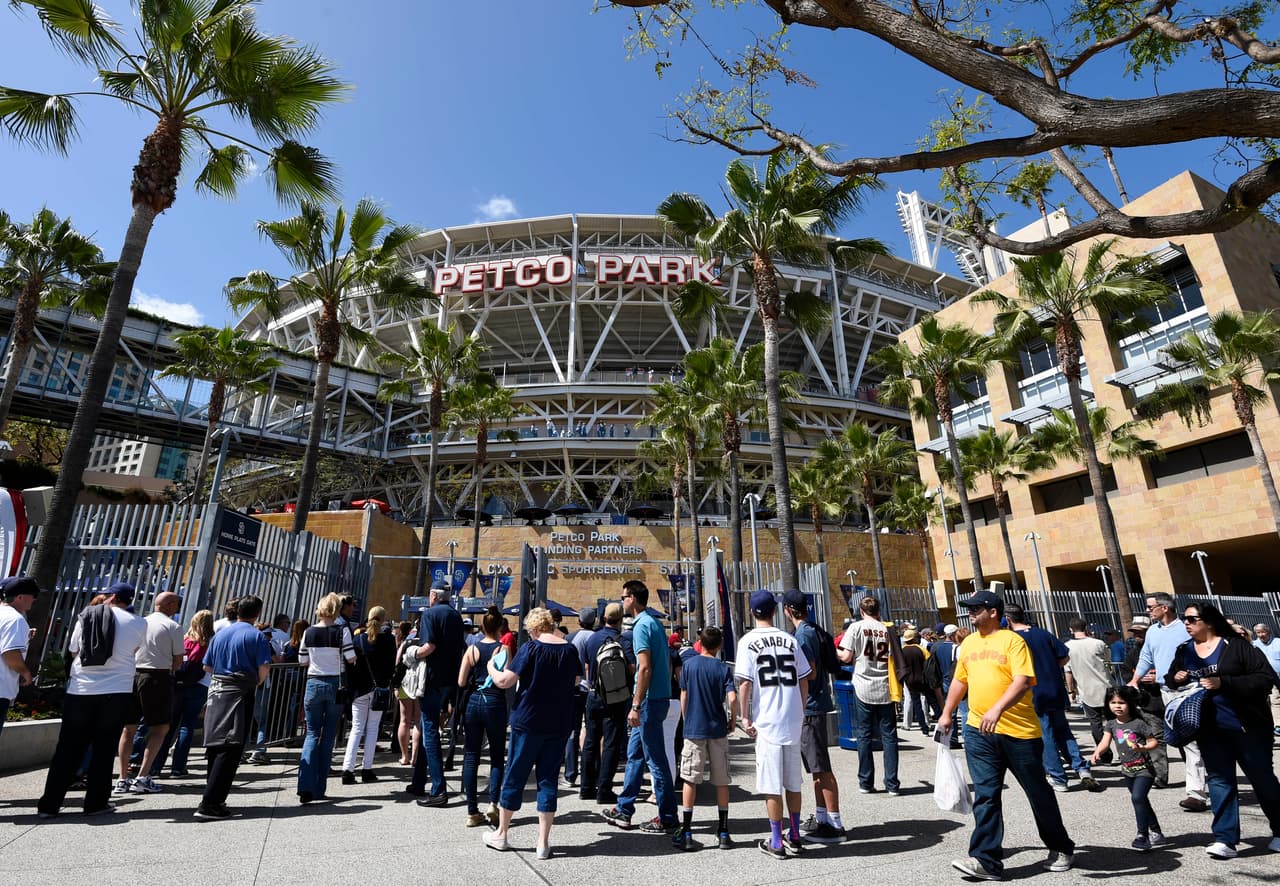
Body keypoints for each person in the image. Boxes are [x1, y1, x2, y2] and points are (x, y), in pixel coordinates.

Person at [938, 589, 1075, 881]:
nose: (971, 613)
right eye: (970, 609)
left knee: (1037, 792)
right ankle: (985, 860)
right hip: (978, 731)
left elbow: (1024, 680)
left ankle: (1061, 846)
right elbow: (960, 681)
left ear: (993, 612)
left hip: (1019, 732)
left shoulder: (1013, 641)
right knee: (986, 795)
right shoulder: (969, 644)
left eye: (977, 608)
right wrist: (947, 712)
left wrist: (997, 709)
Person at [1165, 602, 1280, 859]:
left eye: (1192, 619)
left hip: (1247, 726)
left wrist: (1224, 682)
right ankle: (1225, 839)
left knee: (1262, 779)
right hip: (1208, 728)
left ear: (1208, 622)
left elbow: (1264, 678)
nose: (1186, 623)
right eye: (1185, 618)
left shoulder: (1236, 647)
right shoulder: (1184, 650)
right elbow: (1170, 677)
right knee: (1219, 780)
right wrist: (1176, 677)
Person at [38, 583, 147, 818]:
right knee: (104, 749)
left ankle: (49, 805)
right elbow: (136, 649)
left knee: (67, 749)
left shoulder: (86, 616)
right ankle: (96, 803)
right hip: (116, 691)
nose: (104, 597)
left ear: (114, 597)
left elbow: (74, 650)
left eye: (107, 594)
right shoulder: (139, 623)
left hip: (80, 690)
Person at [482, 607, 581, 860]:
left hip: (528, 721)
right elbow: (577, 681)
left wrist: (491, 666)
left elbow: (505, 681)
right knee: (548, 780)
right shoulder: (569, 649)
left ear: (535, 629)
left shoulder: (532, 647)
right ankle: (543, 842)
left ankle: (502, 834)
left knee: (515, 774)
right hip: (558, 723)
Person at [736, 590, 812, 860]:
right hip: (792, 718)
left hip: (768, 721)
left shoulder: (747, 641)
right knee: (793, 782)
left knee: (771, 784)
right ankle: (795, 834)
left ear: (752, 612)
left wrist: (744, 717)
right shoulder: (789, 639)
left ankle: (777, 840)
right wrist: (800, 708)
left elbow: (744, 682)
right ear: (774, 611)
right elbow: (805, 678)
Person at [602, 580, 680, 834]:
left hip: (647, 702)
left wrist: (636, 704)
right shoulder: (654, 624)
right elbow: (665, 665)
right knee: (635, 755)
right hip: (655, 698)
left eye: (624, 596)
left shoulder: (642, 627)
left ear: (633, 598)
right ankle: (624, 809)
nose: (622, 600)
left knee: (655, 760)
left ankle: (668, 817)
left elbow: (644, 667)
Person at [1129, 592, 1209, 812]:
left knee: (1191, 742)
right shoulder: (1153, 632)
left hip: (1188, 690)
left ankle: (1196, 794)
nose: (1147, 610)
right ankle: (1205, 780)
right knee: (1182, 742)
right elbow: (1146, 656)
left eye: (1150, 607)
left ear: (1165, 608)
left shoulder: (1185, 628)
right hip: (1165, 692)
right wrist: (1135, 680)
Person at [1005, 604, 1098, 793]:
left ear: (1008, 619)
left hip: (1034, 692)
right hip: (1054, 688)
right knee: (1063, 730)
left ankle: (1058, 777)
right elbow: (1064, 656)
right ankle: (1081, 768)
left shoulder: (1013, 639)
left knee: (1045, 734)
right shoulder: (1042, 633)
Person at [196, 595, 273, 819]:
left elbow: (207, 666)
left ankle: (212, 796)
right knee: (232, 745)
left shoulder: (220, 634)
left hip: (217, 689)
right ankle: (211, 803)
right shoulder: (256, 635)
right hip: (240, 691)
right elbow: (264, 667)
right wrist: (254, 683)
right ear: (258, 613)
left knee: (216, 744)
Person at [782, 589, 845, 844]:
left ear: (788, 610)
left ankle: (835, 822)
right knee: (816, 768)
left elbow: (809, 672)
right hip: (812, 705)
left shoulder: (803, 635)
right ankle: (823, 818)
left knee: (820, 768)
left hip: (810, 706)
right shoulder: (811, 630)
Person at [673, 624, 736, 851]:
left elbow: (684, 694)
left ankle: (687, 830)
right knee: (721, 781)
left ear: (701, 642)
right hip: (717, 728)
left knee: (690, 779)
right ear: (719, 645)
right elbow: (732, 698)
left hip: (694, 728)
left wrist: (686, 717)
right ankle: (724, 831)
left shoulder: (689, 666)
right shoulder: (722, 669)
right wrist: (733, 719)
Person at [116, 590, 184, 795]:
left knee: (128, 729)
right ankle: (143, 776)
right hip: (158, 676)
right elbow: (178, 659)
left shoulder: (139, 622)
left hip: (133, 675)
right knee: (160, 728)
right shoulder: (173, 626)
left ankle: (122, 778)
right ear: (170, 605)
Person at [407, 581, 465, 805]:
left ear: (433, 595)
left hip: (430, 678)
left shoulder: (430, 614)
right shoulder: (456, 616)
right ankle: (419, 780)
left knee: (429, 730)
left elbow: (429, 646)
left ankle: (439, 789)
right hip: (449, 679)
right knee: (425, 726)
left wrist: (412, 653)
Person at [1090, 685, 1166, 852]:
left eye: (1122, 702)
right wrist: (1097, 752)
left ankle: (1142, 835)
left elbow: (1153, 741)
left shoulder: (1138, 723)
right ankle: (1157, 832)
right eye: (1113, 702)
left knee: (1137, 798)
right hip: (1127, 770)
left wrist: (1143, 748)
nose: (1117, 706)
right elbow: (1105, 741)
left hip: (1144, 769)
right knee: (1141, 800)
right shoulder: (1111, 724)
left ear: (1130, 704)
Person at [297, 592, 356, 805]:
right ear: (336, 610)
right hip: (335, 684)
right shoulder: (342, 632)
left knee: (311, 734)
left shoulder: (308, 632)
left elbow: (302, 660)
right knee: (329, 736)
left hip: (313, 682)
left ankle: (304, 785)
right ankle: (319, 787)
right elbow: (350, 658)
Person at [837, 595, 900, 795]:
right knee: (889, 736)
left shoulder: (856, 628)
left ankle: (866, 781)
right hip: (886, 686)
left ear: (862, 612)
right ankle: (892, 784)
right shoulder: (887, 629)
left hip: (863, 684)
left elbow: (846, 656)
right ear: (878, 610)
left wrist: (834, 650)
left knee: (864, 734)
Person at [458, 606, 510, 827]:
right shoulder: (503, 650)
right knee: (497, 756)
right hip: (495, 701)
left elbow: (461, 681)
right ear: (499, 627)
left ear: (482, 627)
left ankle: (472, 811)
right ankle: (493, 803)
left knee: (471, 755)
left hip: (473, 701)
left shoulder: (471, 650)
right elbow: (504, 679)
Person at [581, 601, 634, 804]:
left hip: (593, 695)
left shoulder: (592, 639)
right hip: (616, 697)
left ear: (603, 618)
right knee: (611, 743)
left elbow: (587, 665)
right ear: (620, 620)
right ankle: (604, 790)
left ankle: (586, 787)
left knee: (590, 742)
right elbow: (631, 668)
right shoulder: (623, 640)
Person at [342, 605, 395, 783]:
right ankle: (367, 769)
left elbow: (350, 665)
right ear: (383, 619)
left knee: (356, 729)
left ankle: (348, 769)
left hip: (359, 689)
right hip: (378, 688)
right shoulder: (388, 640)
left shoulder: (359, 639)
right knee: (372, 730)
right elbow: (390, 667)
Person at [160, 609, 214, 777]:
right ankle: (178, 767)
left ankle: (155, 766)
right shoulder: (211, 641)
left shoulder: (184, 639)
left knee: (168, 727)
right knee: (187, 727)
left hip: (178, 686)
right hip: (200, 685)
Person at [1064, 618, 1113, 765]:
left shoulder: (1068, 647)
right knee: (1116, 721)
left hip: (1086, 690)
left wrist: (1071, 689)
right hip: (1107, 687)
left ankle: (1104, 754)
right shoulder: (1097, 643)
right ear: (1086, 628)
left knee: (1095, 723)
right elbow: (1107, 658)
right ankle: (1125, 749)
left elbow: (1068, 671)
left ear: (1071, 630)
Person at [0, 576, 38, 733]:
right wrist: (25, 672)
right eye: (33, 595)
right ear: (20, 597)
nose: (34, 599)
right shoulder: (15, 619)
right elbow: (10, 654)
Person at [564, 606, 596, 787]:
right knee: (592, 731)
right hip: (592, 690)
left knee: (573, 731)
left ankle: (570, 774)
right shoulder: (596, 638)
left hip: (574, 689)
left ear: (579, 621)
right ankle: (590, 773)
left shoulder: (570, 638)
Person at [393, 620, 420, 766]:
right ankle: (415, 757)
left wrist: (395, 686)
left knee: (404, 720)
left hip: (404, 684)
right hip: (421, 686)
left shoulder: (407, 643)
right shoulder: (428, 644)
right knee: (418, 721)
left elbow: (398, 664)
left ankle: (405, 756)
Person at [899, 629, 931, 736]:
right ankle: (929, 723)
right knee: (929, 701)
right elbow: (928, 663)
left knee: (916, 704)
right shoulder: (920, 649)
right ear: (914, 639)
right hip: (922, 679)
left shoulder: (902, 651)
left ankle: (923, 727)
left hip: (909, 681)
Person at [1252, 623, 1280, 722]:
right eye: (1258, 633)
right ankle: (1278, 724)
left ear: (1268, 631)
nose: (1260, 635)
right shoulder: (1254, 645)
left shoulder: (1278, 642)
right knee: (1275, 701)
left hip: (1279, 676)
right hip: (1267, 678)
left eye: (1262, 632)